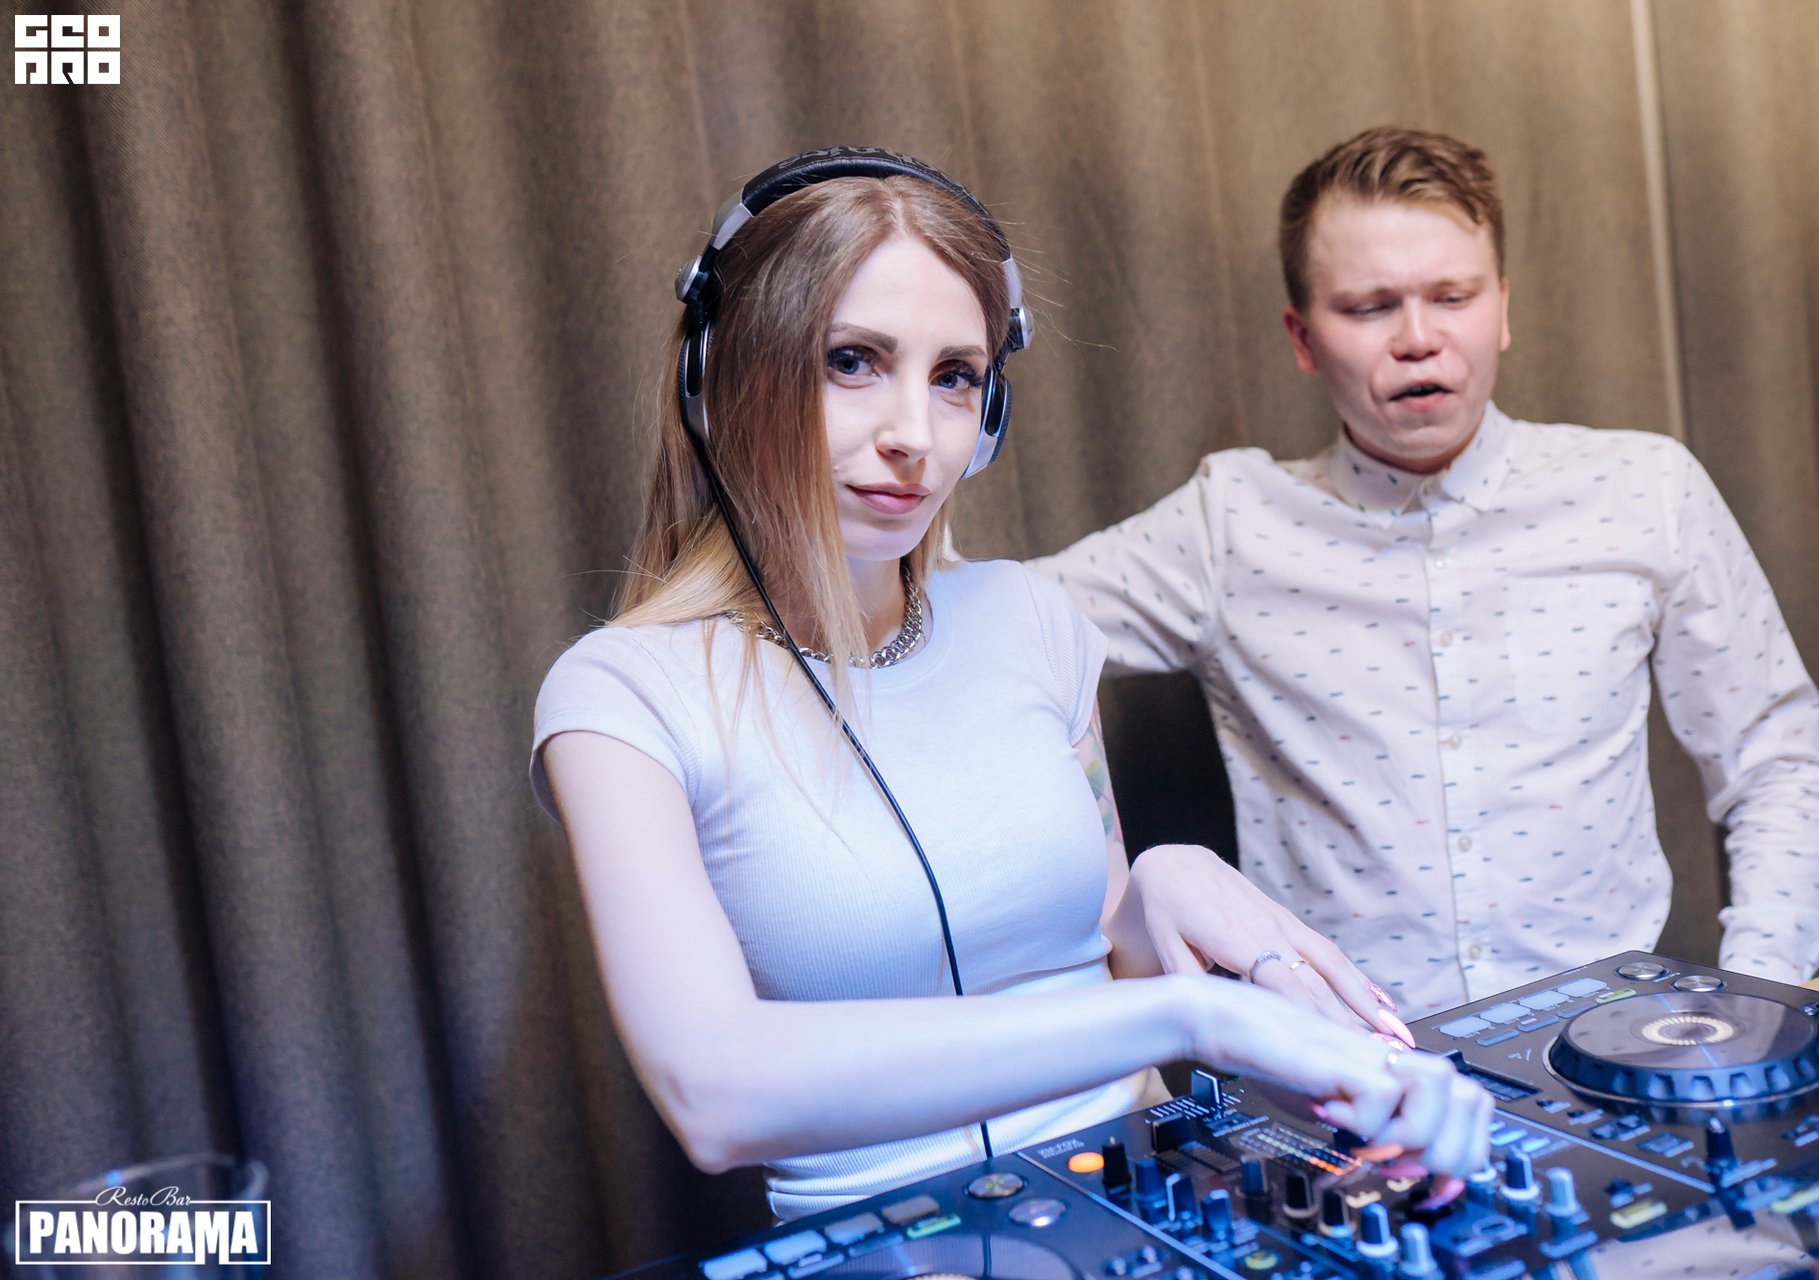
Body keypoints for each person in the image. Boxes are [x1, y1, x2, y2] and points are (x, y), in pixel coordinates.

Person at [530, 151, 1492, 1221]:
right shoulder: (621, 699)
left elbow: (1103, 950)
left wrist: (1158, 888)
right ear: (726, 374)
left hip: (1145, 1194)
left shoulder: (1033, 619)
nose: (914, 434)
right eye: (852, 361)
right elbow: (715, 1093)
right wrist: (1185, 1019)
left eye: (954, 376)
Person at [1031, 127, 1819, 1018]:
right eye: (1369, 307)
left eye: (1452, 297)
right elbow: (994, 625)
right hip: (1346, 1065)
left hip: (1608, 1045)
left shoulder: (1645, 489)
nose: (1418, 338)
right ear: (1302, 337)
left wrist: (1759, 999)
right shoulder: (1226, 523)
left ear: (1501, 309)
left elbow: (1777, 764)